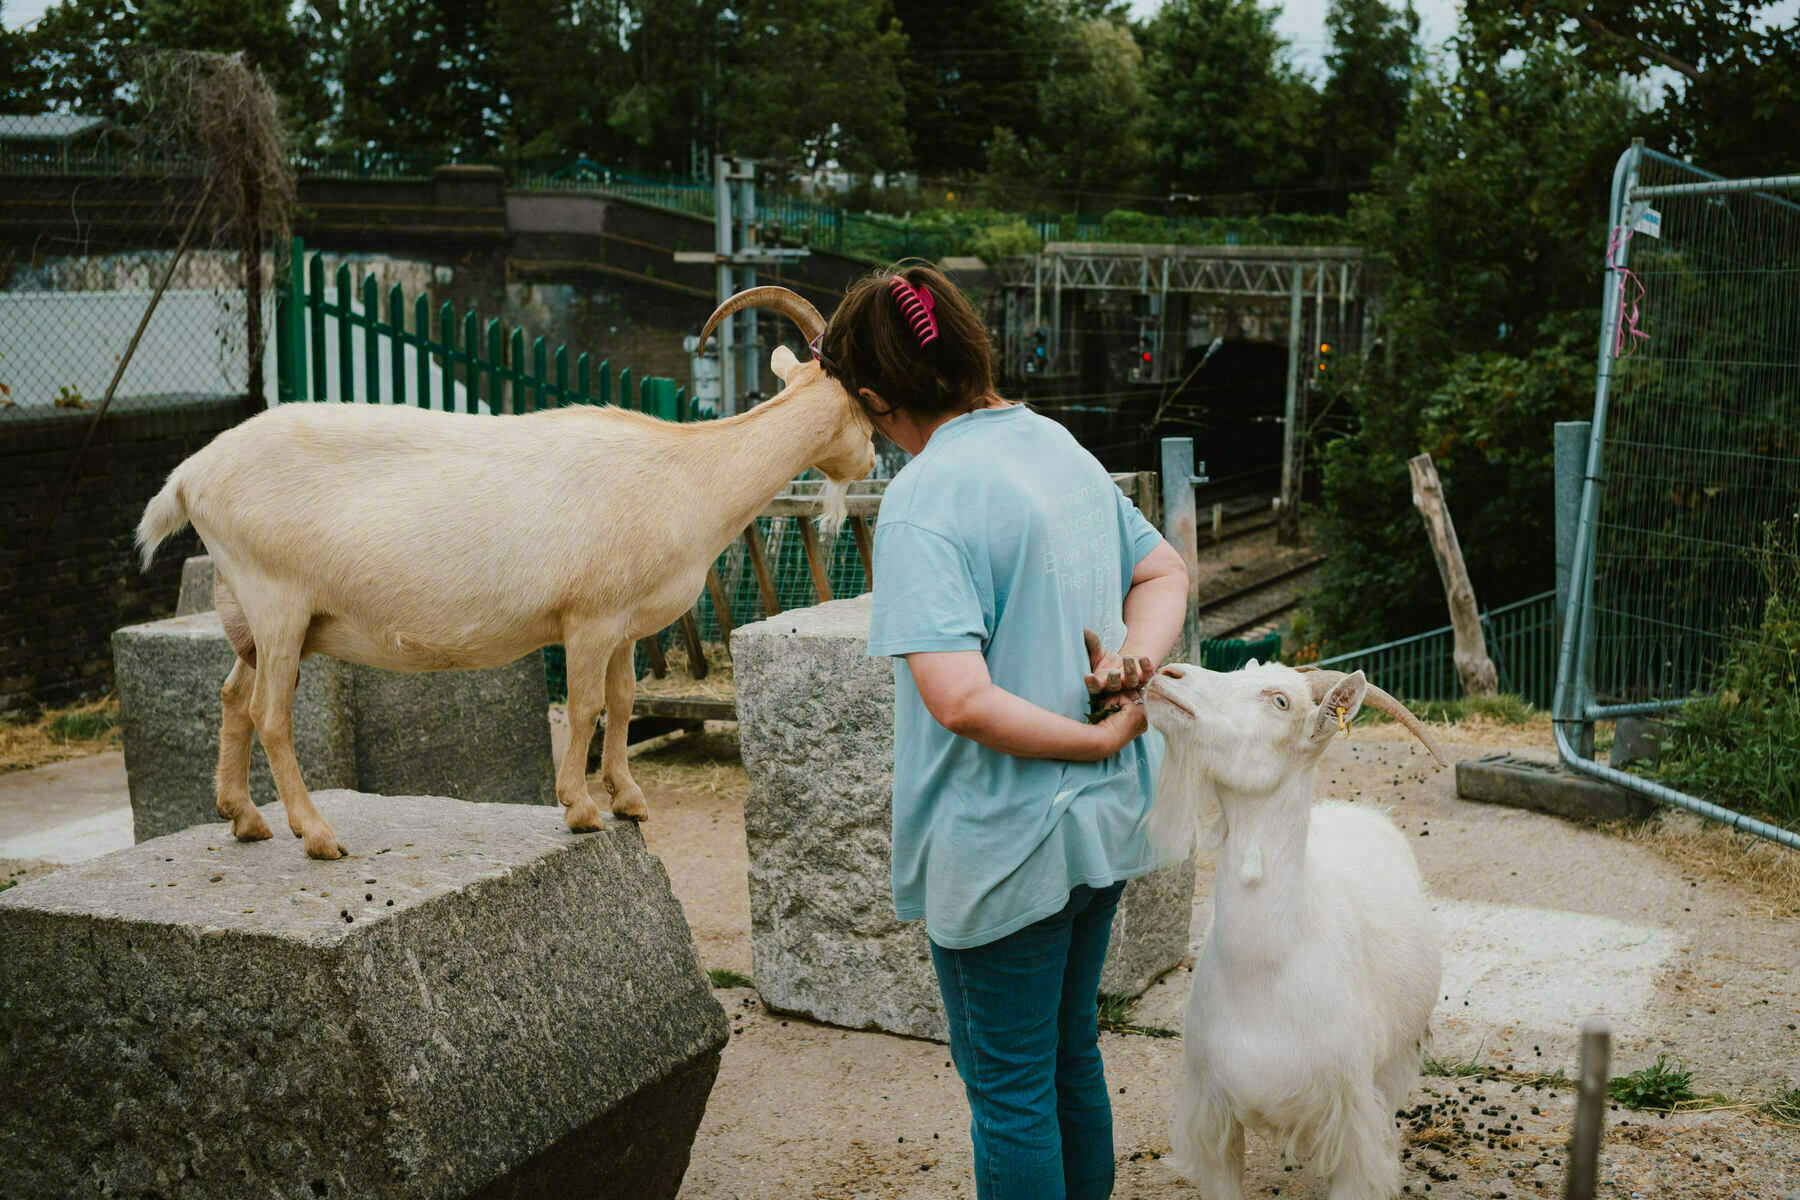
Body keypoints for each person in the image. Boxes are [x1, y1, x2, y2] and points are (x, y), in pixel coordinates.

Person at [812, 263, 1190, 1200]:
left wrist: (1101, 735)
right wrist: (1131, 671)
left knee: (1010, 1093)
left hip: (1002, 845)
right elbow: (1164, 572)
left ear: (872, 398)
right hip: (1102, 830)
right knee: (1068, 1060)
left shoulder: (926, 498)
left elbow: (961, 702)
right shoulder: (1056, 445)